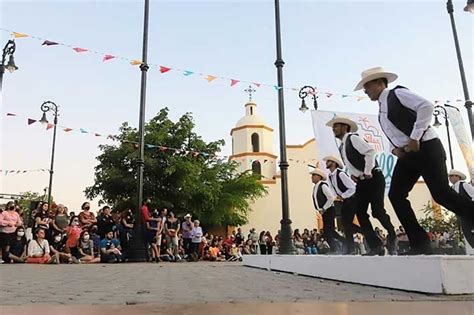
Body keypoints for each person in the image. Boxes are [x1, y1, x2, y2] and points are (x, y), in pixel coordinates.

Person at [355, 66, 474, 254]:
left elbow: (426, 106)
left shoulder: (397, 94)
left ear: (379, 83)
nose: (365, 91)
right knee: (396, 194)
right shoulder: (381, 109)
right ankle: (419, 243)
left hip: (427, 147)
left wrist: (415, 136)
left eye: (367, 86)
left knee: (441, 194)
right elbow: (396, 134)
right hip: (409, 155)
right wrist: (397, 149)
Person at [326, 116, 397, 255]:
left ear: (345, 127)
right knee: (360, 213)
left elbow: (370, 152)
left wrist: (367, 171)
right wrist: (355, 174)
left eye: (336, 126)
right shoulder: (342, 146)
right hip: (362, 181)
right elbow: (352, 162)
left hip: (374, 177)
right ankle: (376, 245)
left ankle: (392, 234)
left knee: (377, 211)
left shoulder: (352, 138)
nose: (334, 129)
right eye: (334, 127)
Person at [323, 155, 358, 254]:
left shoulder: (341, 174)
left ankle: (353, 245)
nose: (326, 163)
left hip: (350, 199)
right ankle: (351, 247)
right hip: (343, 201)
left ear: (334, 163)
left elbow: (352, 188)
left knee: (347, 224)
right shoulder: (330, 176)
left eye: (328, 161)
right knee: (345, 224)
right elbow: (334, 190)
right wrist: (337, 197)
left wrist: (343, 195)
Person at [310, 168, 345, 254]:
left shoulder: (323, 186)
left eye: (314, 175)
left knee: (327, 231)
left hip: (328, 210)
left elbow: (331, 198)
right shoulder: (316, 187)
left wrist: (324, 208)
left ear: (319, 177)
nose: (312, 177)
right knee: (331, 231)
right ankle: (346, 242)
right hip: (324, 212)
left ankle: (334, 249)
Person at [448, 169, 474, 249]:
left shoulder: (464, 185)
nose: (450, 178)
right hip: (461, 213)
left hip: (469, 211)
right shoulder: (452, 188)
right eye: (449, 176)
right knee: (467, 232)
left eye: (452, 176)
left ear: (458, 177)